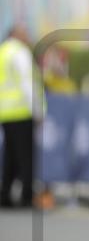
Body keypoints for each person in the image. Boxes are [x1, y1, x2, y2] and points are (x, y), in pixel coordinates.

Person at [0, 25, 45, 208]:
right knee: (26, 157)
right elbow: (28, 83)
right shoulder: (20, 52)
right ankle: (27, 196)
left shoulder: (3, 52)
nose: (28, 37)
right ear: (17, 35)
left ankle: (5, 195)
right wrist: (38, 110)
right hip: (22, 111)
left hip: (5, 113)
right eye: (26, 33)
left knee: (9, 156)